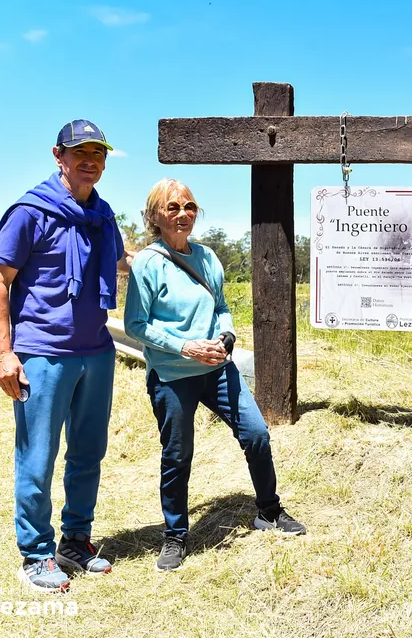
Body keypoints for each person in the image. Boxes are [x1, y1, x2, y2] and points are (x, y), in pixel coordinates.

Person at [124, 178, 306, 572]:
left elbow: (221, 306)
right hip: (173, 375)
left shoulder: (207, 257)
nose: (183, 214)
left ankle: (269, 512)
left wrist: (226, 335)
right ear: (155, 216)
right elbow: (136, 324)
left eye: (189, 206)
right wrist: (185, 346)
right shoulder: (149, 264)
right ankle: (175, 536)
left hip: (217, 369)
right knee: (177, 455)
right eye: (172, 207)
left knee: (256, 433)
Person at [0, 120, 132, 593]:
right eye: (79, 152)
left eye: (98, 153)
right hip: (42, 354)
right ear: (58, 155)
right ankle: (35, 554)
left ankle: (76, 539)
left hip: (96, 351)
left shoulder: (103, 216)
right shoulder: (31, 211)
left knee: (88, 453)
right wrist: (4, 353)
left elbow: (123, 263)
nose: (90, 160)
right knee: (38, 457)